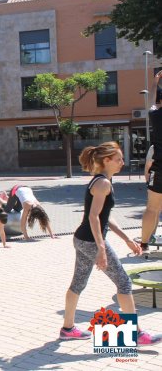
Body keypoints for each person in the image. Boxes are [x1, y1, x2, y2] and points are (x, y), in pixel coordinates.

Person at [60, 141, 160, 345]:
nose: (122, 162)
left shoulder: (101, 181)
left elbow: (105, 217)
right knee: (123, 282)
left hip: (82, 239)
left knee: (78, 283)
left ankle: (67, 328)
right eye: (118, 159)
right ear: (106, 160)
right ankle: (137, 334)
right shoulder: (103, 183)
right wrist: (101, 249)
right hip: (90, 241)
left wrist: (127, 240)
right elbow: (94, 217)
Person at [142, 70, 162, 246]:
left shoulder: (155, 115)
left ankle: (144, 243)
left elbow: (151, 101)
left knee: (152, 208)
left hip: (159, 167)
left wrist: (155, 82)